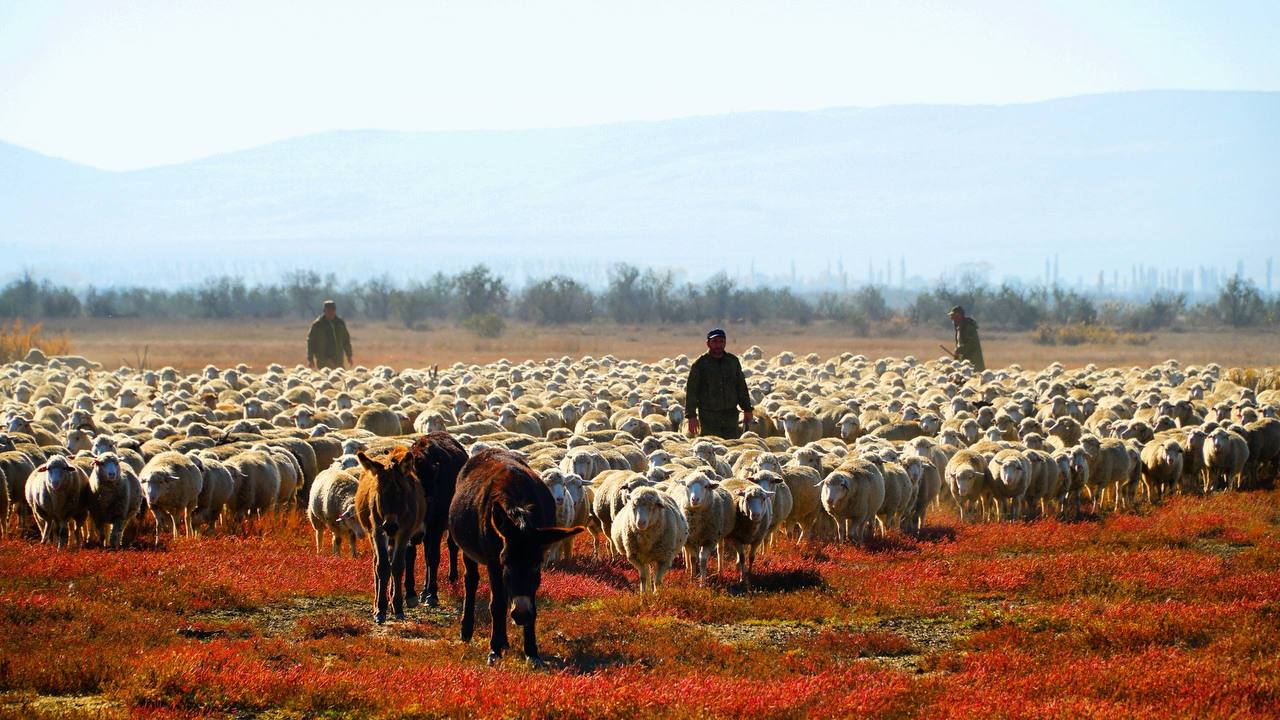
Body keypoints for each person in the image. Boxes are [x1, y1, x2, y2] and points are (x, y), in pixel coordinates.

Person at [685, 328, 753, 439]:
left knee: (732, 445)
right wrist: (691, 416)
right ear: (708, 343)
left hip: (730, 415)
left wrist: (747, 409)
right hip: (709, 416)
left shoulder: (732, 361)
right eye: (715, 342)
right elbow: (692, 391)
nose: (718, 345)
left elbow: (741, 386)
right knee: (711, 446)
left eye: (721, 341)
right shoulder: (701, 363)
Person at [307, 299, 353, 369]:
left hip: (338, 359)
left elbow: (346, 340)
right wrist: (310, 359)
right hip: (324, 360)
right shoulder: (318, 324)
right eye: (328, 310)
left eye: (333, 310)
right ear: (324, 311)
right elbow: (311, 341)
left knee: (339, 377)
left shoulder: (340, 323)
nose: (331, 312)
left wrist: (349, 355)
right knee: (326, 378)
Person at [948, 305, 985, 371]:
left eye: (953, 316)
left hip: (973, 363)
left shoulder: (968, 327)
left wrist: (960, 350)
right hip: (965, 364)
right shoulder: (960, 327)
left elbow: (973, 343)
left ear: (959, 316)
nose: (952, 318)